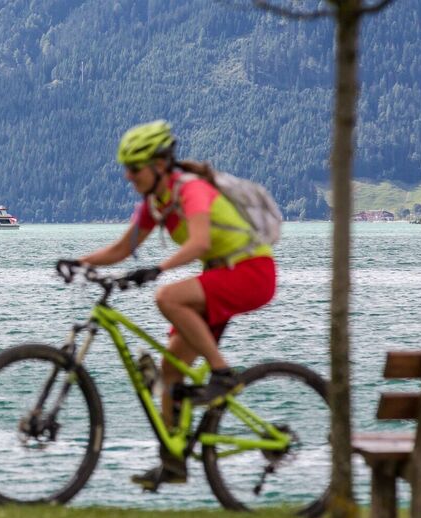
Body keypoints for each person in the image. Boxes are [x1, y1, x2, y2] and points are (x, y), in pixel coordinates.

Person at [66, 120, 277, 491]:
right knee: (170, 373)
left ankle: (223, 375)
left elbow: (198, 242)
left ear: (159, 165)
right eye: (125, 169)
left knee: (167, 295)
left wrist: (157, 270)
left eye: (134, 168)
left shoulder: (191, 190)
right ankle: (174, 462)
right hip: (222, 277)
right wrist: (81, 263)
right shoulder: (155, 204)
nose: (128, 176)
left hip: (251, 272)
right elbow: (122, 249)